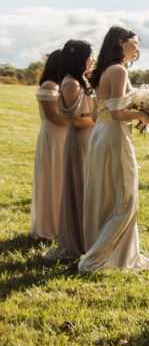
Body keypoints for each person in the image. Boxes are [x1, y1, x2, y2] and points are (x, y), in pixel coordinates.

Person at [79, 26, 149, 272]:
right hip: (114, 137)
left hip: (100, 136)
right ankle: (100, 258)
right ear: (121, 42)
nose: (138, 49)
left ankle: (120, 253)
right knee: (125, 197)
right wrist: (143, 114)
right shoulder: (118, 70)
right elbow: (116, 113)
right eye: (135, 43)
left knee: (105, 197)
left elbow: (96, 115)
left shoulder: (103, 70)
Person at [43, 40, 96, 261]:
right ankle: (78, 240)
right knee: (80, 187)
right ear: (80, 57)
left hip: (89, 138)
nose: (93, 59)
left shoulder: (81, 80)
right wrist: (101, 120)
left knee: (89, 187)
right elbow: (74, 120)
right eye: (90, 55)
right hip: (80, 139)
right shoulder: (70, 83)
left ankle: (90, 236)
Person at [30, 50, 67, 241]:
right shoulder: (50, 85)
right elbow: (56, 118)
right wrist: (86, 121)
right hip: (54, 137)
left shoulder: (65, 85)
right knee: (54, 178)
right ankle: (50, 226)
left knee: (64, 179)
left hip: (66, 136)